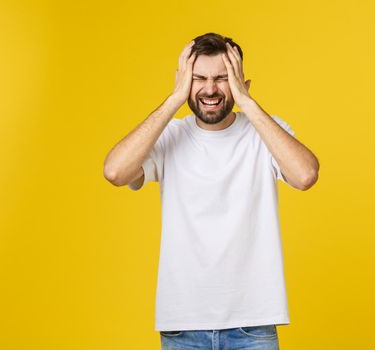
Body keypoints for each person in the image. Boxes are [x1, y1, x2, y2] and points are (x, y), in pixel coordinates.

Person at [103, 32, 320, 350]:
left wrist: (246, 102)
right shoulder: (169, 136)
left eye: (223, 78)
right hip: (182, 326)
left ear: (241, 81)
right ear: (184, 82)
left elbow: (305, 175)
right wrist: (174, 99)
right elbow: (115, 171)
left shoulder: (265, 132)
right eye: (198, 78)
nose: (210, 89)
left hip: (253, 325)